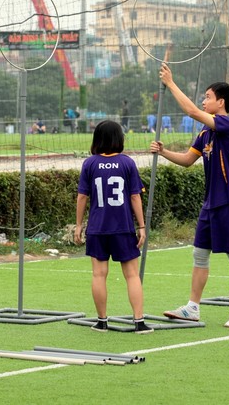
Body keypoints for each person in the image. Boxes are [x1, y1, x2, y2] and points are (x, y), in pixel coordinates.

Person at [150, 63, 229, 328]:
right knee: (199, 253)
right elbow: (186, 160)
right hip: (210, 203)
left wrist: (170, 83)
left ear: (221, 102)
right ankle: (192, 307)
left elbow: (191, 111)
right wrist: (163, 152)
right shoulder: (205, 133)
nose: (203, 101)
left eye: (207, 97)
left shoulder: (227, 125)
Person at [74, 120, 153, 334]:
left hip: (97, 229)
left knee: (99, 274)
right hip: (123, 227)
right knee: (132, 275)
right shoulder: (127, 163)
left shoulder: (89, 164)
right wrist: (142, 226)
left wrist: (79, 225)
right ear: (119, 139)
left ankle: (102, 322)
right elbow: (135, 197)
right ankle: (139, 322)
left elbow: (82, 196)